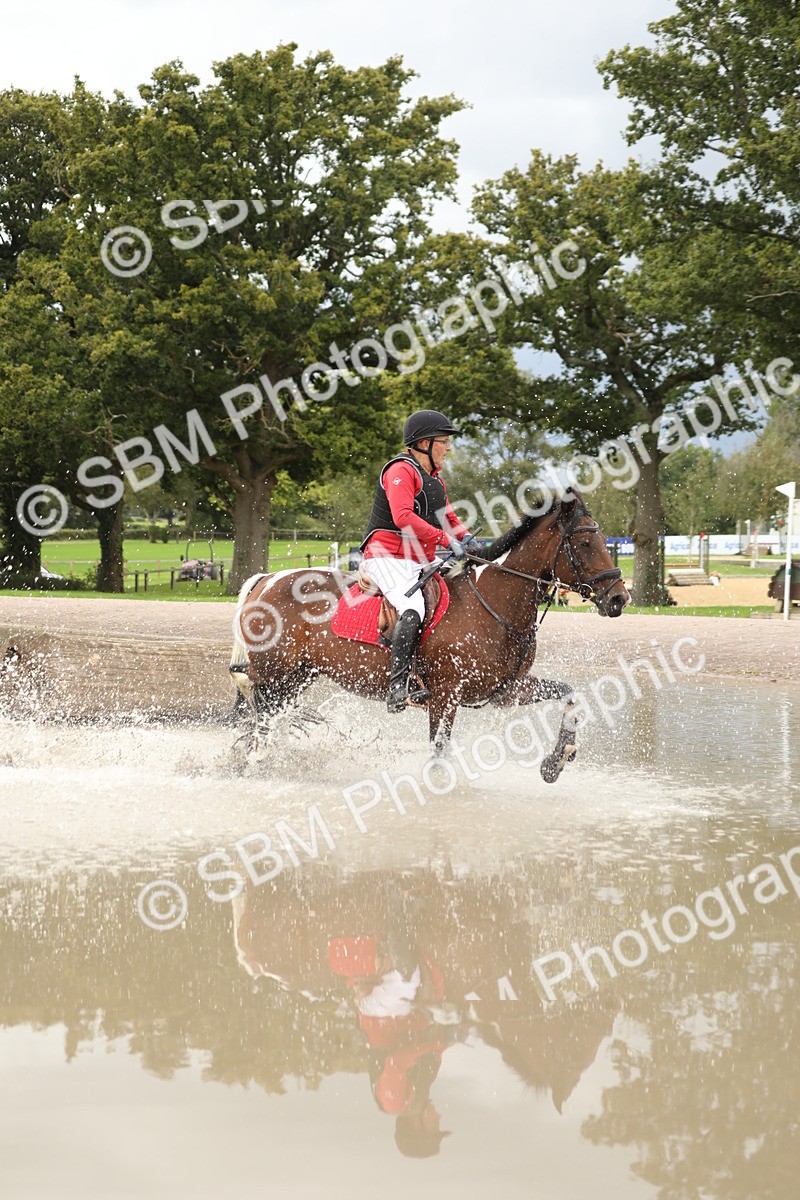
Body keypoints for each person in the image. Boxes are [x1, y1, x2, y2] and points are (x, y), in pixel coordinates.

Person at [360, 410, 482, 712]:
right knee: (412, 608)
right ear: (424, 443)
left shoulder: (435, 479)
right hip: (386, 557)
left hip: (418, 560)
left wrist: (466, 538)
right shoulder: (400, 471)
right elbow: (402, 517)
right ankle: (398, 686)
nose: (448, 448)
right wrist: (445, 540)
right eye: (444, 441)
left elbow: (449, 518)